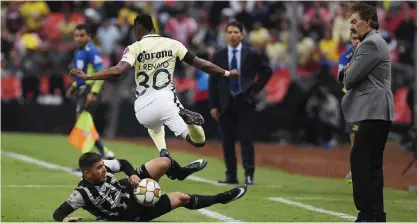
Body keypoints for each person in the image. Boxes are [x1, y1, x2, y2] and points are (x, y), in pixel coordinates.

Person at [69, 14, 240, 160]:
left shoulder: (135, 47)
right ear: (153, 28)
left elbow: (118, 71)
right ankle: (189, 124)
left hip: (142, 104)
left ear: (137, 30)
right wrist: (225, 73)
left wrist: (88, 76)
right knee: (198, 141)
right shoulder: (173, 44)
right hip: (166, 99)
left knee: (153, 124)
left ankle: (163, 151)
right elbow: (201, 64)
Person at [52, 152, 247, 222]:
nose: (104, 169)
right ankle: (222, 198)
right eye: (98, 168)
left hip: (127, 188)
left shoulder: (106, 167)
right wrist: (64, 219)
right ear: (87, 174)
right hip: (131, 212)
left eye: (103, 165)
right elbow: (59, 212)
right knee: (182, 198)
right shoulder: (82, 193)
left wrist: (133, 175)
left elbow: (124, 163)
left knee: (164, 162)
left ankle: (181, 172)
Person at [338, 3, 395, 222]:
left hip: (374, 109)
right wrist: (349, 70)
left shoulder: (370, 44)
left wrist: (348, 70)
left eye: (354, 21)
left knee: (360, 160)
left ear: (368, 21)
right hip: (378, 110)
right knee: (371, 163)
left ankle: (367, 213)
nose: (351, 26)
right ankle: (375, 214)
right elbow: (348, 74)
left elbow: (349, 79)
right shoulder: (372, 42)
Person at [208, 21, 272, 185]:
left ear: (242, 35)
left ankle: (249, 175)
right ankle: (231, 175)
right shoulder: (219, 55)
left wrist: (255, 88)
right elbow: (212, 82)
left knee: (246, 139)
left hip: (244, 101)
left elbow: (266, 71)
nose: (232, 35)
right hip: (225, 103)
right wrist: (213, 105)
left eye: (236, 32)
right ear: (226, 35)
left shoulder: (251, 53)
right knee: (227, 141)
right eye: (229, 32)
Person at [66, 24, 115, 161]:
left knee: (83, 125)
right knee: (86, 125)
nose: (78, 38)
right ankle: (105, 152)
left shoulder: (92, 51)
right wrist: (74, 85)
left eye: (82, 35)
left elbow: (100, 73)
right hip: (82, 90)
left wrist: (93, 93)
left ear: (89, 36)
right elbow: (85, 74)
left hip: (89, 90)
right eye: (76, 35)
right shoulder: (79, 52)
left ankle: (86, 161)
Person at [337, 31, 361, 184]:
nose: (356, 42)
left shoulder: (369, 56)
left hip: (367, 100)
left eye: (359, 39)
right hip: (352, 101)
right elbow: (341, 78)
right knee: (354, 138)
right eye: (354, 39)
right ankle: (355, 170)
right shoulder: (344, 57)